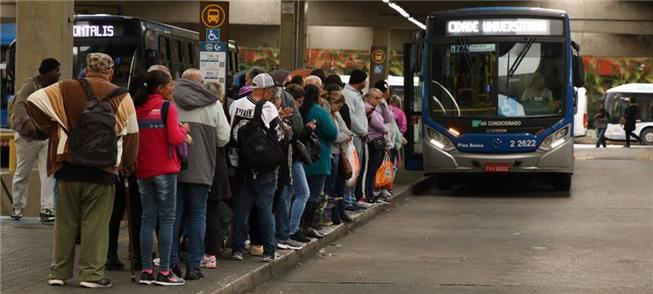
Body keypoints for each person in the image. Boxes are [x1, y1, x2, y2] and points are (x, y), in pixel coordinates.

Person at [27, 53, 139, 288]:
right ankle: (91, 275)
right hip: (104, 170)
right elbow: (132, 135)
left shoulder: (66, 87)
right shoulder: (122, 96)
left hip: (68, 165)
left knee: (65, 223)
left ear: (87, 70)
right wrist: (128, 164)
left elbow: (33, 100)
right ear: (110, 72)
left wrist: (52, 125)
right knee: (96, 225)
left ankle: (58, 273)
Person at [171, 69, 231, 280]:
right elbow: (224, 138)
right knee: (198, 215)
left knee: (174, 216)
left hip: (174, 168)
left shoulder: (170, 100)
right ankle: (194, 265)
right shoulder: (213, 104)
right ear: (199, 83)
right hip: (202, 169)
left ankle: (171, 263)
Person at [133, 70, 189, 286]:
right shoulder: (168, 107)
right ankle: (165, 271)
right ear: (159, 88)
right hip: (165, 169)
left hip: (143, 169)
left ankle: (146, 269)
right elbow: (174, 138)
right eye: (170, 86)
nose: (172, 89)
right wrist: (184, 131)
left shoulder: (138, 109)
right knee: (167, 219)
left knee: (147, 219)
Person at [229, 73, 285, 263]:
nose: (272, 93)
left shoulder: (236, 105)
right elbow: (279, 135)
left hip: (241, 163)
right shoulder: (268, 107)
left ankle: (237, 248)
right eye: (271, 90)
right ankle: (269, 250)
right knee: (265, 209)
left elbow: (231, 133)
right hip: (263, 166)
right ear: (263, 90)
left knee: (241, 208)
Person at [8, 58, 60, 222]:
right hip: (28, 138)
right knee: (23, 173)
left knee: (48, 174)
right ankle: (17, 207)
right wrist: (29, 124)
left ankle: (47, 209)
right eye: (56, 70)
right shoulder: (30, 86)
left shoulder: (54, 88)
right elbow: (20, 106)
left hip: (46, 137)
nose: (59, 73)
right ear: (47, 72)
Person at [202, 80, 234, 269]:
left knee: (190, 211)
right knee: (211, 210)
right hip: (215, 166)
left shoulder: (182, 105)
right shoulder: (216, 108)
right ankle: (210, 253)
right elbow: (224, 138)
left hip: (189, 167)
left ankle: (188, 250)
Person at [300, 84, 337, 238]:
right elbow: (332, 133)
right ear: (317, 96)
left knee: (299, 194)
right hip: (317, 156)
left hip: (299, 156)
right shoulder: (319, 111)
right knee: (313, 194)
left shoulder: (298, 110)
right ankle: (307, 225)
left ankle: (296, 224)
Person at [323, 91, 354, 224]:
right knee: (330, 185)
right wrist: (345, 137)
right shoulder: (327, 115)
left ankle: (340, 212)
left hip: (339, 152)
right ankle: (330, 214)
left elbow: (345, 129)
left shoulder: (336, 115)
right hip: (331, 151)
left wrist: (347, 135)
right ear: (332, 103)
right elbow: (335, 135)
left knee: (340, 184)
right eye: (338, 106)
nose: (339, 109)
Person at [342, 69, 369, 206]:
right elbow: (351, 117)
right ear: (360, 81)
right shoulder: (348, 95)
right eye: (365, 80)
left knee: (357, 168)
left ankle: (351, 197)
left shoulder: (356, 94)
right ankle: (348, 199)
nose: (366, 83)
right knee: (352, 167)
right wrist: (363, 132)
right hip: (355, 136)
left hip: (359, 136)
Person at [363, 89, 388, 204]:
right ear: (368, 97)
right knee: (371, 169)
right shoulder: (368, 108)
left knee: (374, 169)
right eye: (376, 98)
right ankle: (368, 193)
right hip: (372, 141)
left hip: (378, 142)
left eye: (380, 98)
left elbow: (386, 119)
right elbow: (378, 124)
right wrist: (385, 129)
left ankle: (371, 192)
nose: (379, 100)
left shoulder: (377, 108)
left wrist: (384, 106)